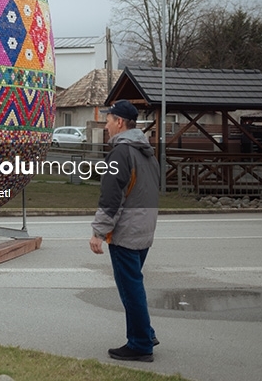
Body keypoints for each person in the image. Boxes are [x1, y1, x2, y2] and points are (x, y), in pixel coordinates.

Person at [89, 99, 160, 362]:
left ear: (119, 122)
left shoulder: (121, 153)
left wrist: (98, 232)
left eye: (108, 120)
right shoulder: (146, 152)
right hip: (144, 231)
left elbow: (111, 197)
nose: (105, 125)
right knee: (134, 285)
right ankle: (147, 333)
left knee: (131, 290)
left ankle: (140, 344)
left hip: (127, 234)